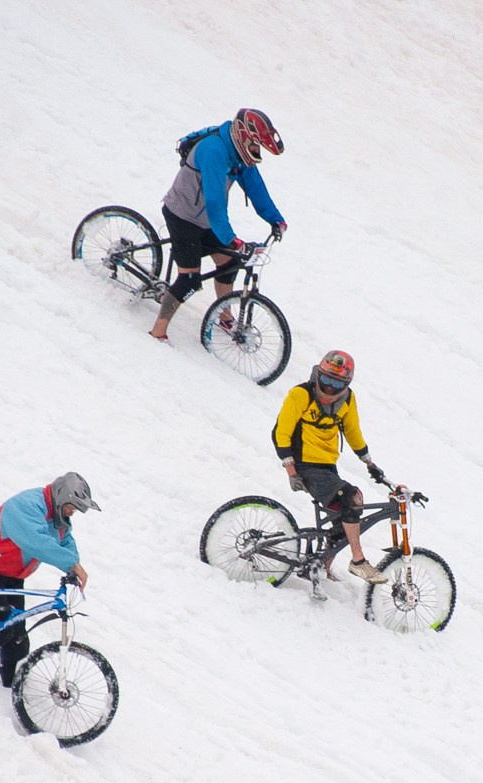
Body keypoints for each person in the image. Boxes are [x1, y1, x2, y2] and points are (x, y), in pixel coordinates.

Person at [0, 472, 99, 687]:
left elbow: (65, 539)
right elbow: (37, 542)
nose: (73, 512)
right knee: (1, 629)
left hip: (14, 575)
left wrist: (75, 565)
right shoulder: (28, 505)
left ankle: (12, 685)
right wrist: (71, 564)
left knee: (17, 636)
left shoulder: (57, 516)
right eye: (72, 506)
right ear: (62, 496)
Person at [150, 108, 287, 341]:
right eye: (256, 146)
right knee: (189, 280)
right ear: (244, 138)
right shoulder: (214, 150)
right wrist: (230, 238)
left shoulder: (240, 155)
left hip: (205, 220)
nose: (257, 152)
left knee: (229, 263)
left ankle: (224, 316)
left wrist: (276, 219)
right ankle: (158, 331)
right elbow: (214, 201)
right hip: (182, 215)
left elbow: (256, 190)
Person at [272, 350, 388, 584]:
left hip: (327, 467)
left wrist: (369, 463)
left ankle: (319, 568)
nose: (330, 389)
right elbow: (280, 434)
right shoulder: (300, 394)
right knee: (351, 496)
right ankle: (358, 561)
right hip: (305, 466)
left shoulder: (348, 399)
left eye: (337, 383)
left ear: (346, 384)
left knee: (343, 521)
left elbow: (352, 431)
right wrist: (291, 472)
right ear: (318, 375)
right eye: (326, 380)